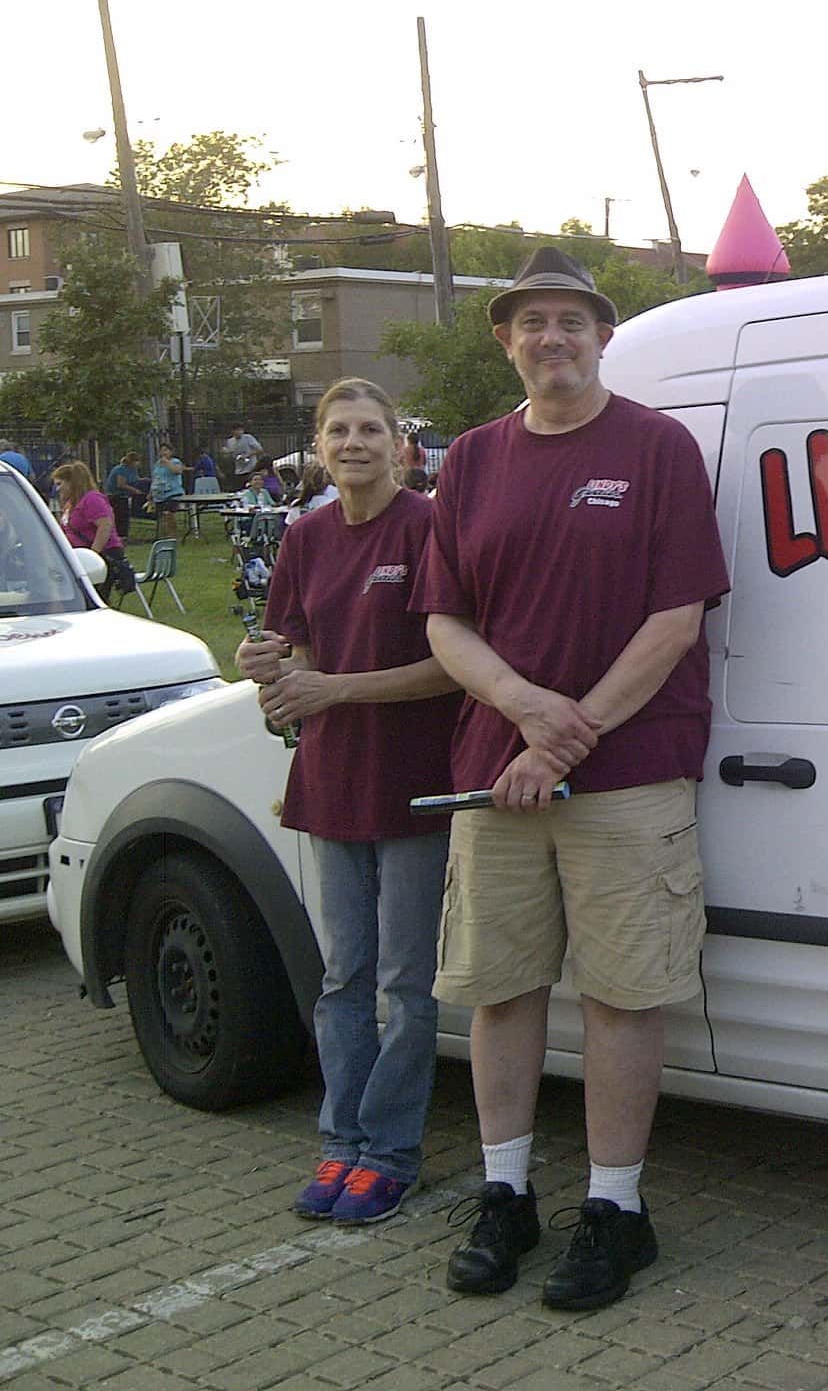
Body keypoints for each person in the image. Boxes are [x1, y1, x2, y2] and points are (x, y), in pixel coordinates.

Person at [417, 247, 727, 1310]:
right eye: (532, 322)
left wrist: (560, 741)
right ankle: (505, 1195)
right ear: (507, 340)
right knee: (500, 993)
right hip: (492, 778)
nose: (552, 338)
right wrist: (517, 705)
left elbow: (677, 617)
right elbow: (445, 622)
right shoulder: (470, 460)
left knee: (622, 998)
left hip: (627, 776)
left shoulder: (657, 446)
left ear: (602, 335)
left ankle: (614, 1210)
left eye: (571, 321)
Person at [235, 378, 462, 1226]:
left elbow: (453, 664)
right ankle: (342, 1142)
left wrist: (334, 688)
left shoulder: (429, 527)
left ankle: (392, 1152)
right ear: (320, 447)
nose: (354, 444)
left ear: (400, 446)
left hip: (412, 788)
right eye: (339, 431)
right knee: (343, 979)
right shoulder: (306, 537)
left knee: (405, 983)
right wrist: (267, 669)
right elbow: (292, 656)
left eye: (370, 429)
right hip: (330, 784)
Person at [52, 462, 135, 598]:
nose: (57, 489)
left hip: (100, 555)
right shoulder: (70, 505)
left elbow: (105, 525)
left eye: (59, 484)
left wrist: (93, 555)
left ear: (72, 483)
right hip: (78, 557)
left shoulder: (92, 499)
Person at [106, 452, 146, 541]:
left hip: (126, 496)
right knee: (120, 515)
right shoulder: (121, 469)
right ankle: (120, 535)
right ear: (132, 461)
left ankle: (124, 535)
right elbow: (121, 484)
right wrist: (134, 490)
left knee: (126, 515)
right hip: (116, 496)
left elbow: (134, 479)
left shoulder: (133, 470)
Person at [149, 448, 186, 536]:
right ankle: (163, 536)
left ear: (171, 452)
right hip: (159, 494)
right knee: (161, 516)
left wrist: (167, 462)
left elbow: (177, 471)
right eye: (161, 450)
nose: (163, 452)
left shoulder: (175, 461)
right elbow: (155, 478)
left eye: (166, 450)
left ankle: (172, 535)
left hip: (172, 493)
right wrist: (150, 493)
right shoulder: (157, 464)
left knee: (169, 513)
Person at [222, 424, 263, 492]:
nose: (239, 432)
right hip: (239, 470)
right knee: (240, 490)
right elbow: (231, 455)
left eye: (240, 430)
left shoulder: (248, 438)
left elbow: (260, 450)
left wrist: (247, 455)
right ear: (233, 431)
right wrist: (227, 452)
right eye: (237, 430)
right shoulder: (230, 441)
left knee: (250, 488)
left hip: (251, 468)